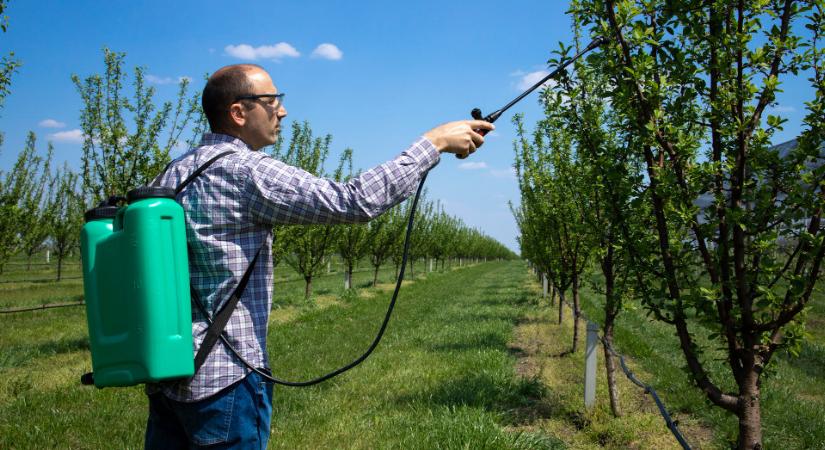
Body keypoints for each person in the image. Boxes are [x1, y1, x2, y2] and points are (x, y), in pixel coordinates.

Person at [144, 63, 493, 449]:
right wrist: (432, 144)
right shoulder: (244, 172)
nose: (282, 110)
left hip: (170, 373)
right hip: (225, 380)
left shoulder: (173, 173)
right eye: (271, 100)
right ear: (239, 113)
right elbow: (354, 201)